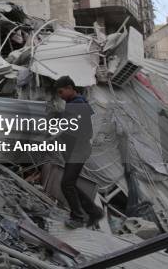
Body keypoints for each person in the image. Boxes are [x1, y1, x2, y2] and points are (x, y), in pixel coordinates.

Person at [55, 75, 103, 229]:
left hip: (79, 149)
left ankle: (78, 217)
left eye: (61, 92)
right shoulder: (74, 103)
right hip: (77, 149)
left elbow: (81, 131)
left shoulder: (78, 104)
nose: (60, 96)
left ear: (70, 88)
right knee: (70, 184)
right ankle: (94, 211)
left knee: (66, 184)